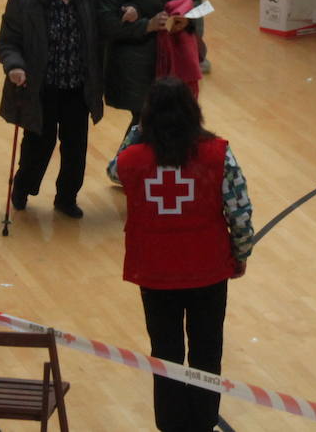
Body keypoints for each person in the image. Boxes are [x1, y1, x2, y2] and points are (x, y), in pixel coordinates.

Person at [116, 76, 253, 432]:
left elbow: (113, 169)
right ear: (194, 112)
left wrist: (138, 131)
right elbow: (239, 211)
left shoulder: (133, 159)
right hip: (208, 271)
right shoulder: (218, 153)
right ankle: (203, 422)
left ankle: (171, 425)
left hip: (155, 273)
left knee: (166, 353)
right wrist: (240, 254)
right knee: (207, 353)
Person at [0, 0, 105, 219]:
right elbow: (7, 43)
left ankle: (67, 197)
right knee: (38, 147)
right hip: (41, 89)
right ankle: (23, 186)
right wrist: (15, 67)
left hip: (77, 87)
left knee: (75, 148)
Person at [98, 0, 201, 180]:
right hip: (134, 62)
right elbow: (105, 21)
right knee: (145, 118)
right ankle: (122, 166)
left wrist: (185, 20)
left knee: (157, 118)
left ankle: (140, 168)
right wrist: (146, 25)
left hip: (172, 56)